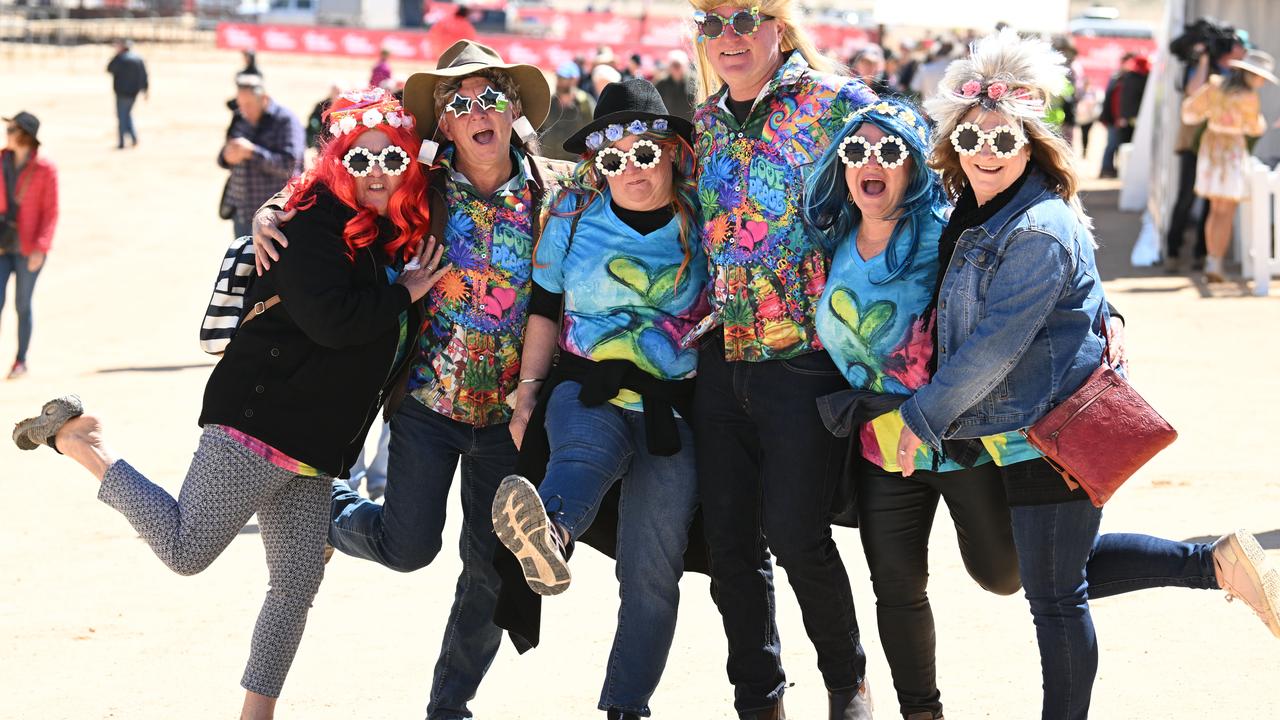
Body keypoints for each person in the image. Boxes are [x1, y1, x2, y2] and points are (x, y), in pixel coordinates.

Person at [12, 90, 445, 720]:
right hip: (259, 422)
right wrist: (403, 294)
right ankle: (88, 443)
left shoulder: (385, 230)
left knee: (295, 588)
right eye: (359, 161)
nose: (376, 172)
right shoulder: (313, 222)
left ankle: (255, 713)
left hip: (317, 446)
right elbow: (331, 322)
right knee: (188, 551)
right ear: (337, 164)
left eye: (390, 160)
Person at [896, 30, 1279, 720]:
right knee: (1052, 577)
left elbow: (994, 345)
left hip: (1046, 425)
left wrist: (917, 418)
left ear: (1030, 146)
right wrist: (1109, 309)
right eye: (973, 138)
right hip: (1011, 425)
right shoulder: (976, 206)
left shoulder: (1037, 225)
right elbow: (1077, 289)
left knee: (1055, 597)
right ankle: (1215, 561)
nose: (986, 151)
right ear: (953, 143)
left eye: (1004, 141)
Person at [252, 40, 569, 720]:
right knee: (408, 548)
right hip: (426, 403)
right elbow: (337, 185)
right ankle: (329, 513)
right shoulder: (417, 187)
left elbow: (646, 188)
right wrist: (273, 208)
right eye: (459, 103)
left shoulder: (559, 194)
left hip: (507, 419)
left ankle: (447, 707)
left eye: (490, 96)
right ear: (444, 125)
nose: (477, 111)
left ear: (513, 109)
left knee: (491, 568)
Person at [492, 78, 708, 720]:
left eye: (645, 154)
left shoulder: (705, 216)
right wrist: (528, 393)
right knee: (581, 456)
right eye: (614, 159)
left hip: (674, 407)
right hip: (587, 386)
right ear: (598, 163)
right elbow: (544, 308)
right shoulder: (571, 217)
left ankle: (625, 706)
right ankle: (550, 538)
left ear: (670, 151)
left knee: (651, 572)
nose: (630, 171)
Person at [686, 0, 878, 717]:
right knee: (730, 545)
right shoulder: (703, 125)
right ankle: (758, 698)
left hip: (805, 358)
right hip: (721, 355)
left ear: (778, 25)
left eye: (743, 19)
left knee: (798, 534)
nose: (726, 39)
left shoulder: (839, 105)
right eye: (710, 25)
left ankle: (846, 682)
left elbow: (917, 172)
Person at [802, 97, 1021, 720]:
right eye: (856, 151)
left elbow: (1011, 289)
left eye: (889, 151)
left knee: (1004, 574)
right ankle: (921, 711)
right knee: (896, 590)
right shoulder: (836, 237)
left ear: (913, 165)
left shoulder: (947, 230)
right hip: (878, 443)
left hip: (955, 437)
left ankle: (1173, 562)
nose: (872, 163)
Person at [1181, 49, 1274, 283]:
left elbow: (1189, 113)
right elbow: (1255, 128)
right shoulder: (1249, 97)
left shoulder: (1215, 86)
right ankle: (1216, 261)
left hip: (1211, 147)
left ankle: (1212, 260)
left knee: (1214, 208)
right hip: (1232, 149)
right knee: (1227, 210)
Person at [1165, 35, 1245, 273]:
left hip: (1220, 147)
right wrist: (1203, 61)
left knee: (1213, 201)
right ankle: (1173, 251)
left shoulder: (1237, 74)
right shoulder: (1203, 68)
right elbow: (1192, 92)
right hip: (1194, 143)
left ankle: (1203, 254)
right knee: (1187, 197)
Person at [0, 111, 57, 380]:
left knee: (22, 304)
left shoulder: (45, 170)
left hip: (28, 249)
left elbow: (50, 212)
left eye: (11, 129)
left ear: (24, 135)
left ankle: (20, 360)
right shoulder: (0, 161)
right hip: (1, 246)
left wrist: (41, 248)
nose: (7, 133)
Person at [220, 75, 305, 239]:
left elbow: (289, 166)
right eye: (241, 104)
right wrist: (227, 156)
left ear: (264, 98)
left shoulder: (286, 121)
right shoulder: (240, 118)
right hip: (242, 212)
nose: (244, 110)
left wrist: (252, 152)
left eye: (249, 104)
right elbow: (223, 156)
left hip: (275, 215)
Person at [1098, 53, 1149, 179]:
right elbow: (1116, 100)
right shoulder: (1120, 78)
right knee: (1112, 145)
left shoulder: (1125, 78)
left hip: (1118, 118)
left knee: (1116, 145)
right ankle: (1107, 169)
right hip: (1116, 119)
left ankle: (1110, 169)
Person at [540, 62, 597, 162]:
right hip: (548, 162)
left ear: (575, 80)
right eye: (558, 78)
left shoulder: (585, 102)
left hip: (574, 165)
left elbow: (594, 130)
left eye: (564, 79)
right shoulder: (548, 101)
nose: (560, 82)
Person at [106, 39, 148, 150]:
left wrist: (116, 56)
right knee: (127, 115)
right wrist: (145, 90)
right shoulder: (138, 59)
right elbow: (144, 75)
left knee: (122, 117)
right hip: (133, 93)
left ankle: (121, 142)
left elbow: (109, 68)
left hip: (122, 93)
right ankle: (133, 138)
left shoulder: (120, 59)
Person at [654, 49, 695, 122]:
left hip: (689, 124)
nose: (676, 68)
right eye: (674, 65)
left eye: (678, 65)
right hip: (670, 124)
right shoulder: (661, 83)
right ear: (669, 67)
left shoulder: (695, 82)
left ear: (685, 65)